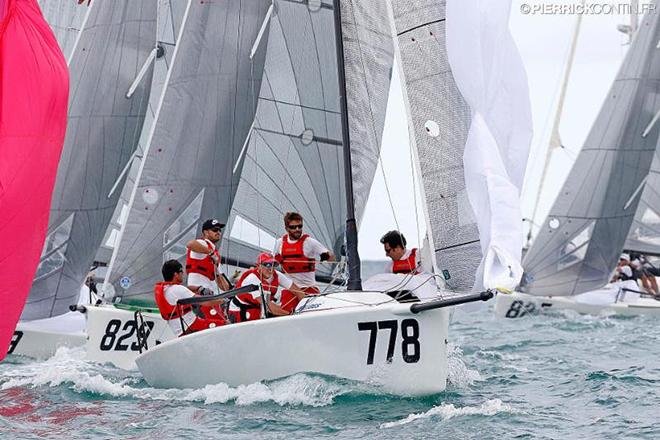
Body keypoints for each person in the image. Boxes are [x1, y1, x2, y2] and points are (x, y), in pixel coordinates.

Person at [273, 212, 334, 312]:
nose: (297, 229)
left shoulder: (310, 242)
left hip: (309, 288)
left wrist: (327, 256)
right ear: (287, 228)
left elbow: (332, 257)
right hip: (290, 289)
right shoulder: (279, 243)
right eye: (293, 227)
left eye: (300, 226)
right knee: (285, 314)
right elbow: (270, 263)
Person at [154, 260, 227, 336]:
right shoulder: (178, 289)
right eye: (181, 272)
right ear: (175, 274)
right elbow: (205, 302)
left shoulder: (165, 289)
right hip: (192, 327)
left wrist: (199, 289)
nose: (183, 274)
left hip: (181, 331)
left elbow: (185, 290)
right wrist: (223, 300)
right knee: (225, 325)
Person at [229, 253, 307, 323]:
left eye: (274, 265)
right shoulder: (252, 279)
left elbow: (298, 291)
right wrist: (290, 315)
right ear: (259, 266)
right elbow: (268, 306)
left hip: (260, 308)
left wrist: (305, 308)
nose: (271, 269)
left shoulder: (277, 275)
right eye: (267, 265)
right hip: (240, 310)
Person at [186, 218, 231, 294]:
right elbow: (190, 244)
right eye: (215, 230)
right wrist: (210, 253)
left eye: (220, 230)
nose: (218, 232)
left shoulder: (216, 255)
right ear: (206, 232)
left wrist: (231, 289)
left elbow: (222, 285)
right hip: (197, 291)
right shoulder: (203, 243)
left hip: (208, 291)